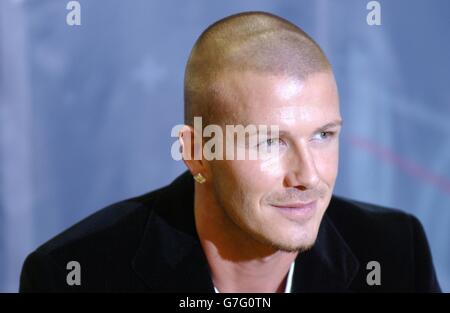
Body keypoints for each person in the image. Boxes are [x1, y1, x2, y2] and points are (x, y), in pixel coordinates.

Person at [20, 11, 440, 292]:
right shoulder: (75, 274)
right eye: (270, 141)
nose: (309, 176)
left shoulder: (394, 252)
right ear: (196, 152)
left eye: (323, 136)